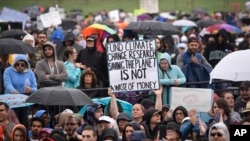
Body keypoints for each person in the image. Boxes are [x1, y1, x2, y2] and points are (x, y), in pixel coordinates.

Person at [3, 54, 37, 127]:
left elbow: (35, 87)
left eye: (22, 65)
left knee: (23, 120)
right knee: (12, 119)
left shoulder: (30, 73)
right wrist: (13, 91)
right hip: (11, 99)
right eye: (17, 64)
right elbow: (7, 83)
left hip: (24, 100)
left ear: (26, 65)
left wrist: (30, 89)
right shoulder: (8, 71)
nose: (20, 67)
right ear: (14, 64)